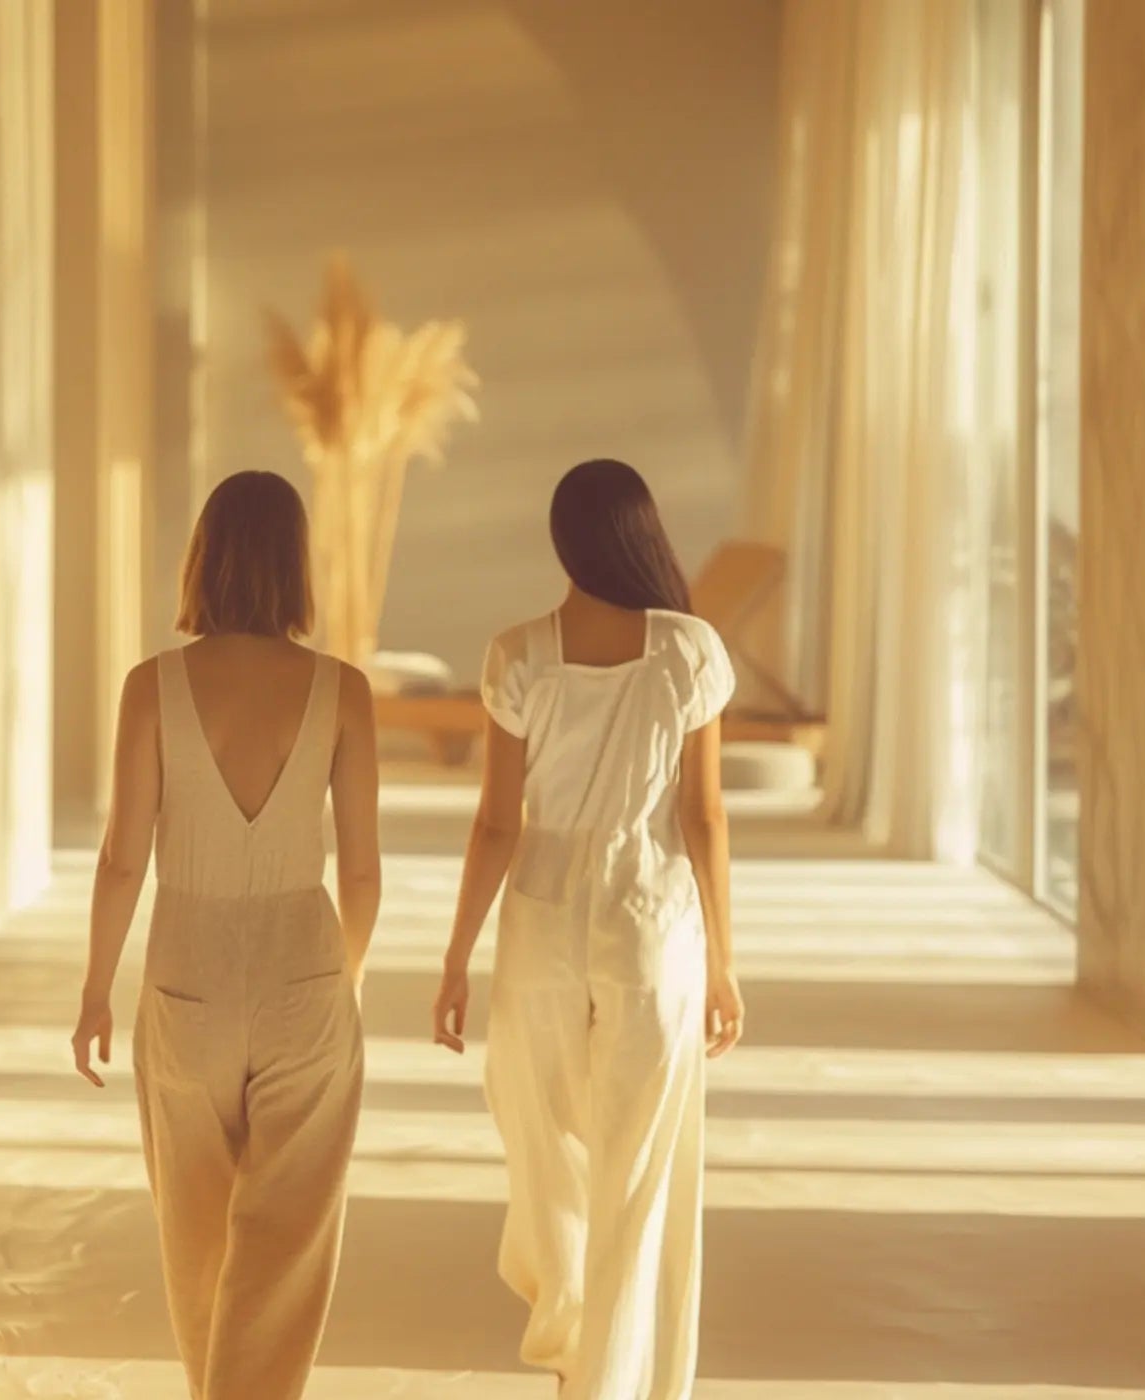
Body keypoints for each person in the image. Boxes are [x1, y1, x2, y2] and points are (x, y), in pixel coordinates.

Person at [432, 458, 740, 1399]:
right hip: (653, 926)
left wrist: (455, 961)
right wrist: (724, 964)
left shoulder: (517, 656)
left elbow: (497, 822)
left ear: (563, 540)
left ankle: (577, 1346)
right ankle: (609, 1372)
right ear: (642, 535)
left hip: (541, 925)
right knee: (640, 1172)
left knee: (549, 1153)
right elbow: (704, 815)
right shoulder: (689, 651)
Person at [71, 469, 382, 1400]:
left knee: (197, 1240)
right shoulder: (343, 690)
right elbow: (361, 871)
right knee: (286, 1245)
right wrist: (343, 983)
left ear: (202, 558)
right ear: (297, 565)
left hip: (184, 978)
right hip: (305, 969)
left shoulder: (151, 688)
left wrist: (94, 990)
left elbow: (123, 859)